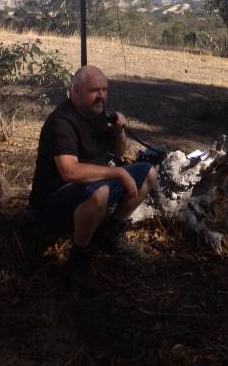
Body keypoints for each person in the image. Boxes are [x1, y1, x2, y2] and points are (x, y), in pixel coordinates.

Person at [29, 65, 157, 294]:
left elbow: (118, 152)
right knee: (100, 192)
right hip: (53, 203)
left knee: (149, 173)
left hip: (90, 188)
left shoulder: (97, 114)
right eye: (94, 91)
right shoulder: (62, 122)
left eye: (104, 90)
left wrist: (119, 131)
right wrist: (117, 173)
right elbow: (69, 172)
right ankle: (77, 262)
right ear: (75, 91)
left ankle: (109, 232)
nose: (101, 96)